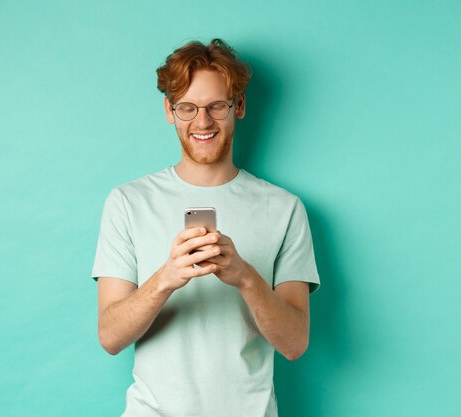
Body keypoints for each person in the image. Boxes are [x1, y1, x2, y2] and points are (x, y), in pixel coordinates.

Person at [92, 38, 320, 417]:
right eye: (187, 107)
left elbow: (295, 343)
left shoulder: (284, 209)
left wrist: (245, 276)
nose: (202, 122)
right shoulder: (128, 202)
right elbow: (110, 337)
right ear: (169, 110)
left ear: (239, 106)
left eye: (216, 106)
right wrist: (166, 277)